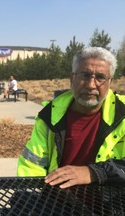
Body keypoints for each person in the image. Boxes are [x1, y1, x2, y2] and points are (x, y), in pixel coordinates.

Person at [17, 47, 125, 188]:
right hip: (56, 204)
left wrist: (96, 172)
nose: (91, 85)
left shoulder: (122, 113)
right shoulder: (50, 116)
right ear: (71, 78)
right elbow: (31, 166)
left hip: (110, 205)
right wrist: (28, 202)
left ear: (110, 81)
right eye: (85, 75)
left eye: (100, 77)